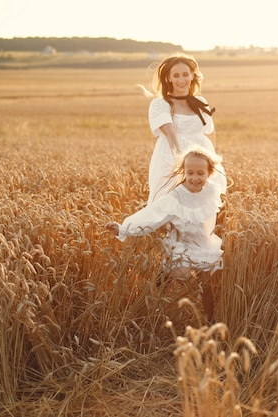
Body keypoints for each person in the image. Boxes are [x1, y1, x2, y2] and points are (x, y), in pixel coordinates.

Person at [105, 147, 224, 322]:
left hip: (204, 244)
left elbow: (217, 212)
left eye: (200, 173)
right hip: (181, 244)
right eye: (189, 173)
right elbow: (152, 215)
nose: (195, 178)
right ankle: (149, 314)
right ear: (183, 172)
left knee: (206, 286)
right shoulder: (176, 197)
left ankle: (210, 322)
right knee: (162, 280)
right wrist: (123, 228)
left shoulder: (212, 191)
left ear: (209, 173)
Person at [140, 52, 226, 204]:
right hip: (171, 156)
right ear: (168, 78)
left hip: (201, 156)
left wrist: (212, 159)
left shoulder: (200, 101)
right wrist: (181, 163)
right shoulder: (160, 104)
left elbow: (209, 132)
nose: (181, 80)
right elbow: (170, 133)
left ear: (193, 75)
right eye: (176, 75)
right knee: (170, 200)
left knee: (206, 202)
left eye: (185, 74)